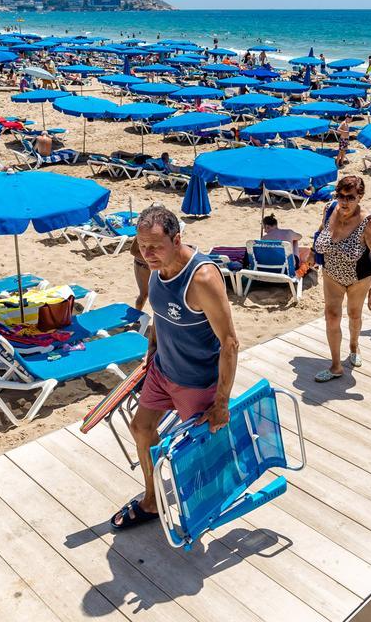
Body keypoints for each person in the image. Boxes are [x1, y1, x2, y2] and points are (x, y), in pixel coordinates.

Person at [112, 206, 239, 531]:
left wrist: (221, 403)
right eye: (142, 246)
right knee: (141, 429)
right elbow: (159, 315)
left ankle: (208, 502)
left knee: (203, 452)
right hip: (161, 370)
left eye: (155, 246)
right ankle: (153, 500)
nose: (148, 254)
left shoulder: (202, 279)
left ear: (177, 238)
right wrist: (150, 352)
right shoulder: (156, 267)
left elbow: (229, 343)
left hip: (196, 382)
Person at [311, 176, 371, 381]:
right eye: (340, 196)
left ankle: (354, 345)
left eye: (350, 197)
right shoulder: (329, 209)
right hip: (331, 274)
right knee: (332, 317)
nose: (344, 201)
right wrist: (312, 252)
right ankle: (336, 366)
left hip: (358, 278)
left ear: (360, 197)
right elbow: (321, 231)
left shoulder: (368, 222)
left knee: (354, 315)